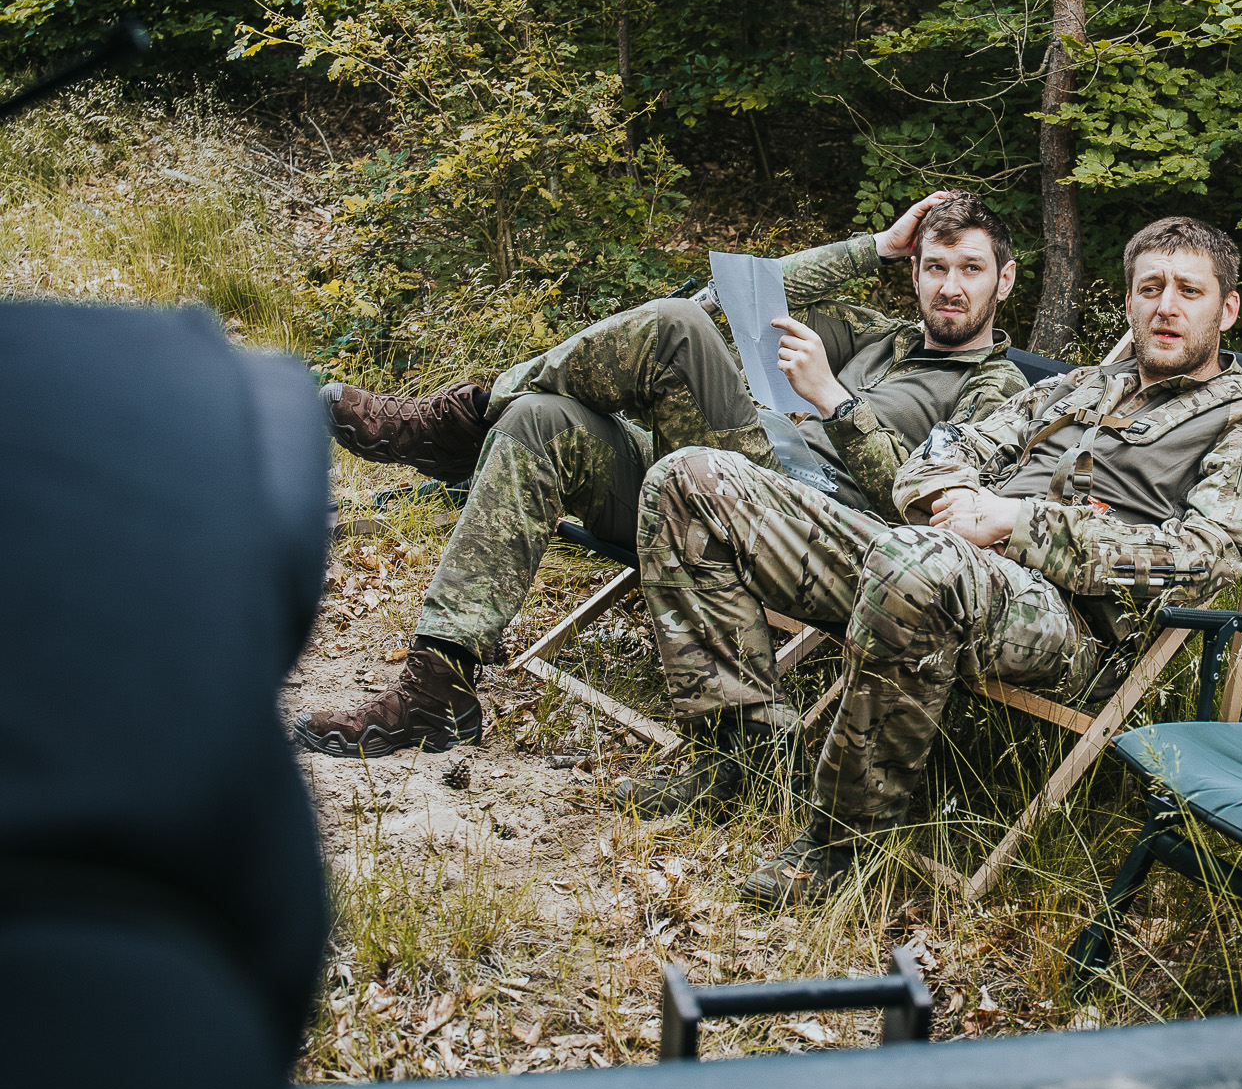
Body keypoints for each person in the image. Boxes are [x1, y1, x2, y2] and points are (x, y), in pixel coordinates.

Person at [629, 215, 1242, 907]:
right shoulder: (1078, 387)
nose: (1166, 305)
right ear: (1127, 302)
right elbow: (943, 449)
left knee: (917, 560)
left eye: (1189, 291)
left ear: (1228, 307)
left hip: (1070, 620)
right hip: (934, 557)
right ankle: (737, 749)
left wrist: (1016, 521)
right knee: (691, 479)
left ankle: (839, 845)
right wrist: (958, 501)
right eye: (1150, 287)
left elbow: (1209, 552)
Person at [295, 191, 1027, 764]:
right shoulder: (877, 332)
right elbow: (739, 299)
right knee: (539, 423)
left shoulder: (1000, 390)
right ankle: (437, 685)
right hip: (704, 477)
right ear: (915, 271)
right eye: (935, 266)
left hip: (805, 520)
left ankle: (461, 417)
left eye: (970, 269)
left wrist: (836, 403)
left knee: (674, 328)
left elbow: (929, 508)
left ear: (1006, 279)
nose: (950, 287)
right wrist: (875, 245)